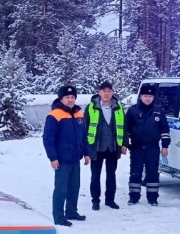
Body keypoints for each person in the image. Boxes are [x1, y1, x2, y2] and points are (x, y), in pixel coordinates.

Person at [43, 85, 90, 226]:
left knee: (74, 187)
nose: (70, 100)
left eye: (72, 97)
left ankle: (71, 211)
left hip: (75, 158)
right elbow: (48, 139)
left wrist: (87, 153)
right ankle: (58, 216)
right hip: (62, 160)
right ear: (61, 98)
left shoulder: (79, 115)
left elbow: (84, 136)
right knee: (61, 188)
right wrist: (53, 157)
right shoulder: (54, 115)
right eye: (67, 97)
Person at [125, 84, 170, 206]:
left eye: (150, 96)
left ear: (153, 97)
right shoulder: (132, 111)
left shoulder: (158, 111)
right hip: (136, 146)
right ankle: (134, 197)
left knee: (152, 172)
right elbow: (125, 129)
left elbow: (165, 130)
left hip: (153, 147)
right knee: (135, 172)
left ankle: (153, 198)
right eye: (145, 96)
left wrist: (165, 146)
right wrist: (124, 144)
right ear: (140, 96)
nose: (147, 98)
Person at [85, 80, 127, 210]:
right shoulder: (91, 107)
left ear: (113, 92)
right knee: (95, 176)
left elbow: (124, 126)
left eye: (109, 91)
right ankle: (95, 201)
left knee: (111, 175)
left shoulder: (118, 107)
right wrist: (85, 148)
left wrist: (124, 143)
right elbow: (85, 127)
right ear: (99, 92)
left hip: (113, 147)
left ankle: (110, 200)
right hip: (96, 147)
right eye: (104, 91)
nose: (107, 94)